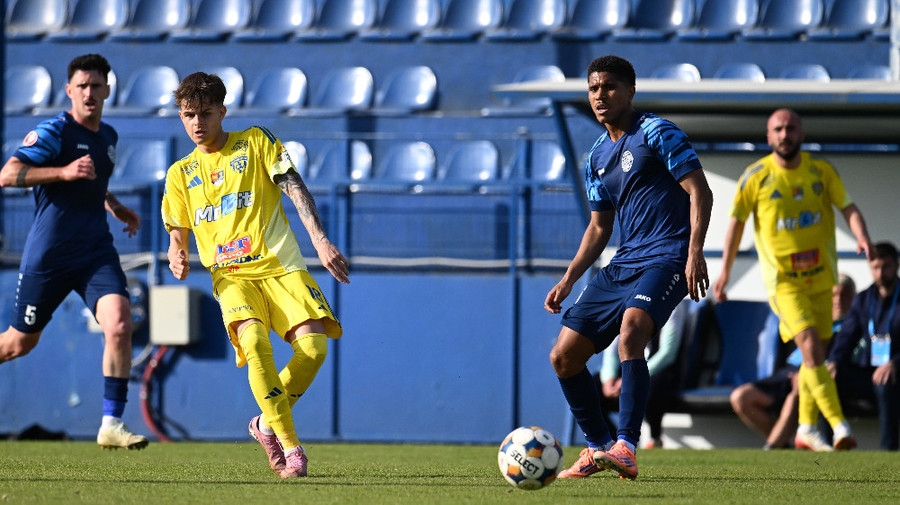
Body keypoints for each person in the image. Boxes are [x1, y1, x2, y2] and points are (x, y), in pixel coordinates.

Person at [161, 72, 349, 478]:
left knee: (314, 349)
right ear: (181, 117)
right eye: (189, 115)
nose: (198, 122)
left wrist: (320, 240)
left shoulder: (256, 141)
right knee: (255, 343)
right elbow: (178, 232)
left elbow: (294, 186)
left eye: (206, 113)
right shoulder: (180, 174)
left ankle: (264, 423)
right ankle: (291, 447)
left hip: (281, 265)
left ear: (222, 111)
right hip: (231, 276)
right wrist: (177, 253)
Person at [545, 55, 713, 480]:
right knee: (564, 356)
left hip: (669, 255)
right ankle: (598, 447)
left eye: (609, 87)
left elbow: (700, 191)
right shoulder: (596, 156)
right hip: (625, 261)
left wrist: (694, 251)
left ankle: (627, 446)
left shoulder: (657, 132)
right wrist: (569, 279)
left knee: (632, 330)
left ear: (630, 91)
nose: (600, 95)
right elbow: (599, 227)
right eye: (593, 88)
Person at [0, 54, 148, 450]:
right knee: (17, 344)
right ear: (69, 90)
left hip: (95, 252)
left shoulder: (108, 137)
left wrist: (114, 205)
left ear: (107, 90)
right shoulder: (54, 132)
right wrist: (62, 172)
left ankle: (111, 424)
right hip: (49, 255)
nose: (89, 92)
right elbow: (8, 174)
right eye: (82, 86)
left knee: (119, 324)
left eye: (96, 85)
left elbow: (93, 181)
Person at [714, 108, 872, 452]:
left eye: (791, 128)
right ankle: (838, 424)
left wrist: (862, 237)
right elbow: (736, 224)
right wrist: (725, 270)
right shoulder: (755, 176)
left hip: (822, 280)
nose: (785, 134)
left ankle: (806, 428)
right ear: (768, 136)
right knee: (811, 347)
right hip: (784, 283)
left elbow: (847, 207)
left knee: (816, 357)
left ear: (801, 133)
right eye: (778, 129)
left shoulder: (821, 171)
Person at [730, 274, 856, 449]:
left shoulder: (852, 327)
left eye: (844, 295)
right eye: (834, 295)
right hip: (787, 372)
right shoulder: (812, 320)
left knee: (798, 390)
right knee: (741, 397)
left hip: (813, 374)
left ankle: (772, 447)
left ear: (853, 298)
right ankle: (784, 447)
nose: (838, 301)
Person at [829, 242, 900, 450]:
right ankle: (829, 444)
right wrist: (834, 361)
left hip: (895, 374)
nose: (880, 273)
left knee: (885, 384)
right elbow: (847, 336)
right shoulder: (864, 299)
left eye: (886, 267)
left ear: (896, 265)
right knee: (830, 381)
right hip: (868, 372)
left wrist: (894, 363)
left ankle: (888, 451)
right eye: (875, 267)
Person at [597, 301, 691, 449]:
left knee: (651, 384)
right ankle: (609, 441)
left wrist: (630, 378)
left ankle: (654, 438)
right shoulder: (628, 302)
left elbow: (668, 354)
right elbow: (612, 349)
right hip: (628, 372)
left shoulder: (671, 305)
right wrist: (608, 379)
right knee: (590, 388)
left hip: (658, 370)